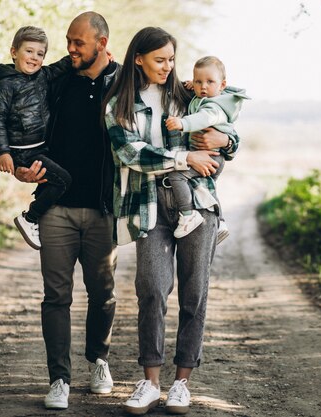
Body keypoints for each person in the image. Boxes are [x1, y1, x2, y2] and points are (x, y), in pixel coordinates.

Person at [103, 27, 239, 415]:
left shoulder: (187, 94)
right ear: (138, 59)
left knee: (194, 293)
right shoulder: (119, 106)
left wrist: (224, 143)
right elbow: (130, 153)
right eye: (160, 59)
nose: (168, 67)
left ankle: (182, 383)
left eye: (171, 59)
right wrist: (184, 159)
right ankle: (149, 382)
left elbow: (227, 128)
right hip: (149, 207)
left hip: (197, 205)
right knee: (151, 288)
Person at [13, 12, 119, 410]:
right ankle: (59, 378)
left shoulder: (125, 82)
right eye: (69, 41)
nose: (70, 49)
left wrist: (220, 141)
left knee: (103, 293)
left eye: (79, 43)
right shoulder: (55, 81)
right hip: (55, 209)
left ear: (102, 43)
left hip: (103, 209)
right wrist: (22, 163)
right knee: (56, 296)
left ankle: (98, 361)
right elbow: (21, 115)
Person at [0, 26, 72, 250]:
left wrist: (94, 54)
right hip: (22, 151)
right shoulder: (5, 85)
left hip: (41, 147)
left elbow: (64, 65)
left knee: (59, 176)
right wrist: (4, 153)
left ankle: (42, 220)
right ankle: (30, 218)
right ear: (14, 52)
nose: (34, 58)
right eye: (29, 51)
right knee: (64, 180)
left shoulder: (43, 76)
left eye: (40, 54)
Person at [165, 56, 249, 240]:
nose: (203, 86)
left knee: (177, 175)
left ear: (222, 84)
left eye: (210, 82)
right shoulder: (204, 97)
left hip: (213, 156)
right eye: (198, 81)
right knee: (205, 187)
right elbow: (198, 98)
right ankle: (220, 221)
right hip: (210, 155)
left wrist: (182, 123)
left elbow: (204, 118)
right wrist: (190, 86)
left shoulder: (215, 106)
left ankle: (188, 215)